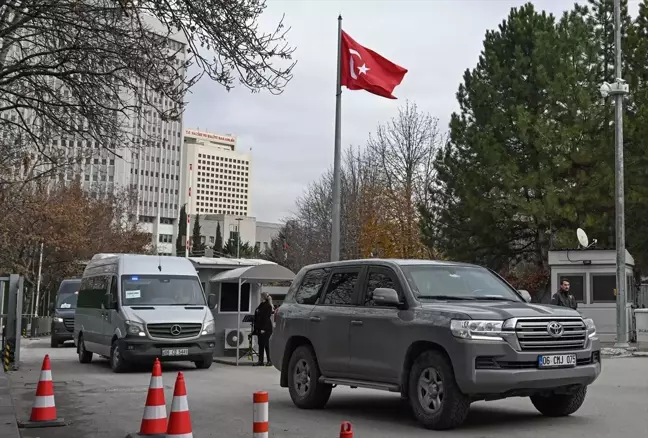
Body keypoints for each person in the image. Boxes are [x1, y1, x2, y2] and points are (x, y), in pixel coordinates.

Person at [253, 292, 274, 366]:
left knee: (266, 344)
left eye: (261, 297)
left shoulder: (268, 306)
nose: (260, 298)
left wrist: (263, 329)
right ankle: (260, 361)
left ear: (263, 297)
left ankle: (269, 360)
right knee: (260, 344)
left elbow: (266, 318)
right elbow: (257, 312)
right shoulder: (261, 305)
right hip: (259, 327)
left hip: (266, 328)